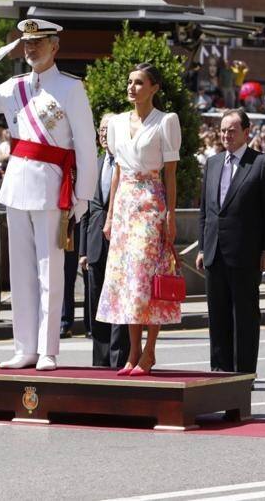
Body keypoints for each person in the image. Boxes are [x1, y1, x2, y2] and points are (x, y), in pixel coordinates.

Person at [0, 18, 97, 371]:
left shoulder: (70, 88)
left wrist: (82, 197)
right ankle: (24, 348)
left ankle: (48, 349)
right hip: (17, 185)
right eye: (27, 44)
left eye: (39, 43)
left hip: (51, 187)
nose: (31, 49)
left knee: (50, 273)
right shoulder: (13, 86)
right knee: (20, 273)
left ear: (55, 47)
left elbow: (86, 145)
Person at [97, 64, 182, 376]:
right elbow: (118, 171)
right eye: (130, 82)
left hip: (151, 202)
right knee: (129, 278)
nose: (132, 88)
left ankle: (149, 351)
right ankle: (132, 353)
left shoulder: (166, 121)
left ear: (154, 88)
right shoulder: (118, 122)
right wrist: (109, 217)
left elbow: (171, 175)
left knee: (150, 276)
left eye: (139, 83)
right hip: (124, 206)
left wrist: (170, 215)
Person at [196, 108, 265, 375]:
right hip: (214, 251)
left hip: (245, 252)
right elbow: (205, 211)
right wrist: (202, 246)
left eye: (232, 130)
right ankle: (219, 372)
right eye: (222, 130)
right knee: (218, 316)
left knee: (243, 316)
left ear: (246, 132)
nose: (226, 135)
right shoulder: (212, 163)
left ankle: (244, 373)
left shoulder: (261, 164)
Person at [79, 112, 130, 368]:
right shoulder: (96, 164)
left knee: (119, 304)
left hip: (121, 245)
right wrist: (83, 250)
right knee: (97, 305)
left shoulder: (127, 163)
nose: (102, 134)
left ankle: (118, 359)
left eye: (107, 130)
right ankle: (99, 362)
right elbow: (88, 211)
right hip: (96, 246)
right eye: (100, 129)